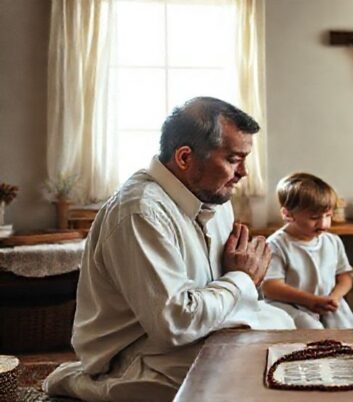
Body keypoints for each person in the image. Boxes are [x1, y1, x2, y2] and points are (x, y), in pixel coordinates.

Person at [44, 97, 295, 402]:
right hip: (136, 351)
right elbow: (175, 323)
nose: (243, 172)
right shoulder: (140, 212)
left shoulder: (214, 199)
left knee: (284, 329)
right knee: (236, 380)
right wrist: (242, 279)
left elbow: (220, 296)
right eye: (232, 159)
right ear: (185, 158)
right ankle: (84, 382)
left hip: (196, 335)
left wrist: (247, 277)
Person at [261, 173, 353, 329]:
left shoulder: (332, 241)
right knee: (311, 329)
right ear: (288, 214)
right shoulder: (276, 245)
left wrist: (334, 298)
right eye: (314, 218)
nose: (324, 224)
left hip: (324, 303)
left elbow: (344, 278)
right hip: (289, 307)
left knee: (347, 330)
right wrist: (310, 300)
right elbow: (270, 286)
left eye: (328, 216)